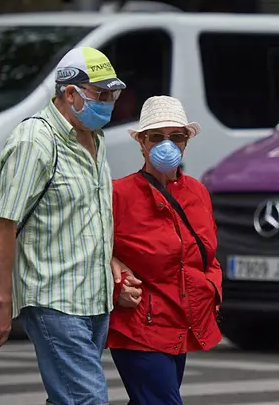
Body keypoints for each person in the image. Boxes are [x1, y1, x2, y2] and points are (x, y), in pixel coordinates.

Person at [0, 46, 137, 404]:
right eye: (102, 94)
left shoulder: (94, 139)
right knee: (87, 399)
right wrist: (2, 302)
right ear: (70, 93)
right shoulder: (36, 140)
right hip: (54, 299)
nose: (111, 102)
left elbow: (87, 218)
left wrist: (111, 265)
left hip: (93, 301)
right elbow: (4, 224)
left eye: (114, 94)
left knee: (67, 397)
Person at [109, 96, 223, 405]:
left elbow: (207, 254)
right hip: (138, 328)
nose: (166, 144)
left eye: (176, 137)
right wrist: (116, 282)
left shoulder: (197, 192)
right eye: (157, 137)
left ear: (186, 142)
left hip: (181, 325)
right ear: (142, 143)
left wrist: (212, 290)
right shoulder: (118, 193)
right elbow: (91, 248)